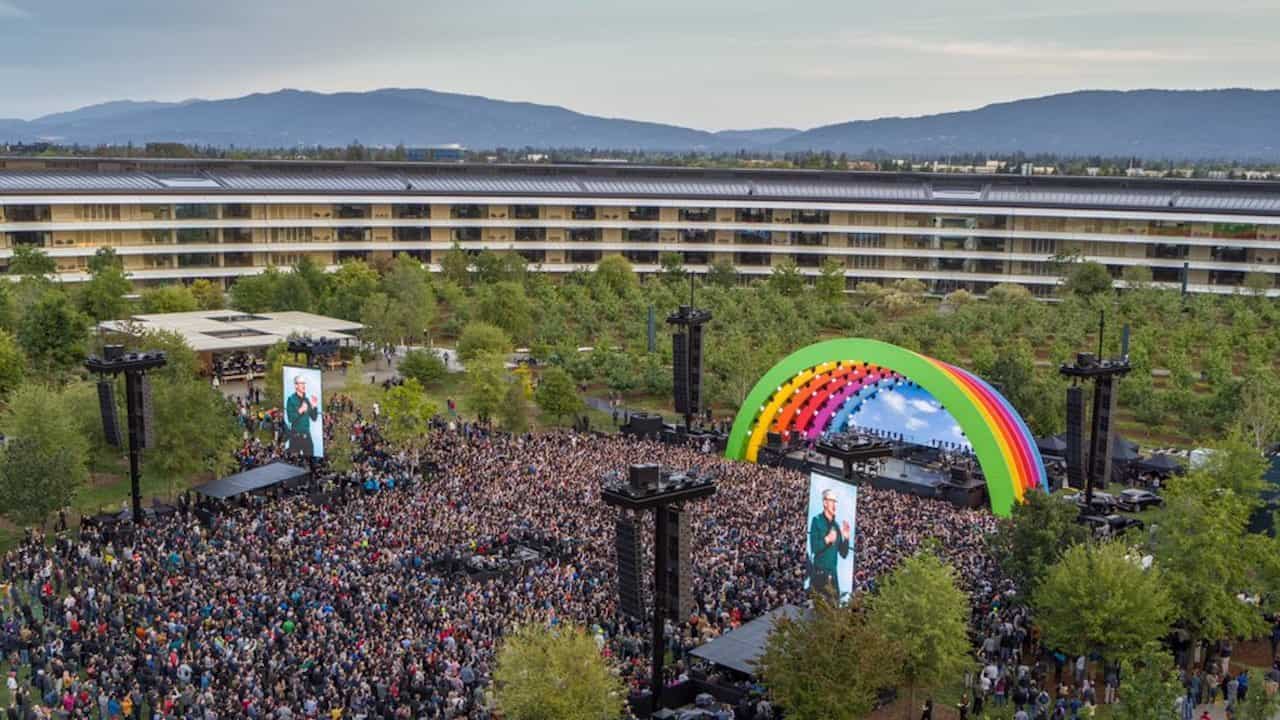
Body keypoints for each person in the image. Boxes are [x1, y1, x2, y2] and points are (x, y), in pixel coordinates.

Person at [807, 487, 852, 600]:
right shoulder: (816, 520)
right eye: (832, 501)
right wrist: (827, 540)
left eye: (835, 501)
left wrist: (846, 538)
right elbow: (814, 548)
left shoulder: (836, 526)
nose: (834, 504)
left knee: (833, 610)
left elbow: (843, 553)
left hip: (833, 575)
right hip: (819, 574)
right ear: (825, 502)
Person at [285, 373, 319, 457]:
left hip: (307, 436)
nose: (304, 385)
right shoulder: (291, 399)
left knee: (311, 460)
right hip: (296, 436)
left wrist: (314, 406)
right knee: (293, 462)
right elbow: (290, 419)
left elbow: (314, 418)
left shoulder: (307, 400)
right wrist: (300, 410)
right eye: (301, 383)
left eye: (304, 383)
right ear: (296, 385)